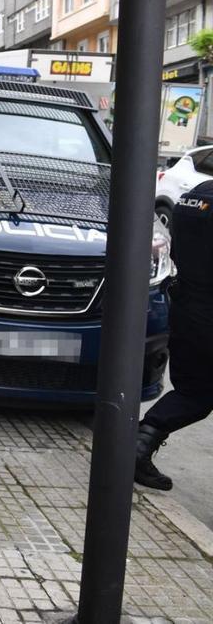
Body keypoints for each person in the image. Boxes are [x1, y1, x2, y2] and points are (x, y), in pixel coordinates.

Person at [135, 180, 213, 490]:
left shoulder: (194, 196)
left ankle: (137, 447)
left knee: (193, 393)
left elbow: (177, 251)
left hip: (188, 310)